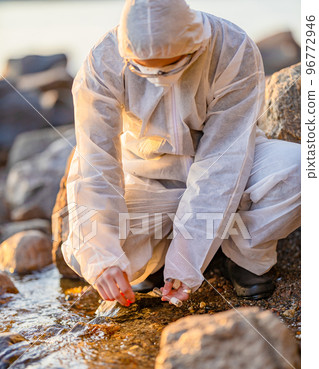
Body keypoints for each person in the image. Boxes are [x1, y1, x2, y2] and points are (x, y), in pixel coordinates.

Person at [61, 0, 301, 307]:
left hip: (236, 166)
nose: (159, 78)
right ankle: (161, 260)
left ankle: (243, 257)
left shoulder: (233, 47)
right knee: (92, 250)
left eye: (171, 66)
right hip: (149, 179)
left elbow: (222, 162)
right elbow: (96, 164)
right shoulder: (102, 62)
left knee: (298, 172)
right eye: (143, 69)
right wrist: (103, 259)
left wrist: (186, 263)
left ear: (194, 43)